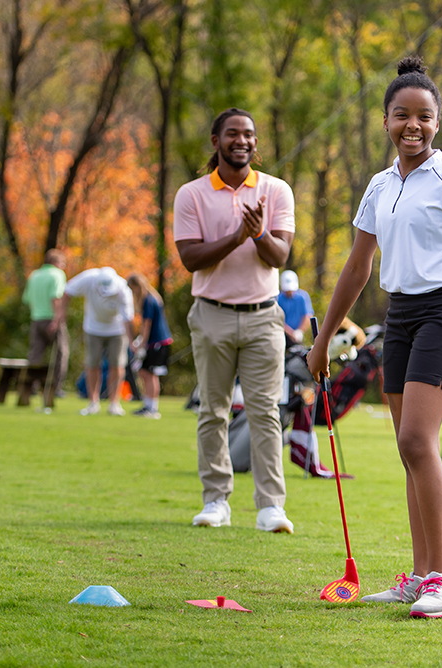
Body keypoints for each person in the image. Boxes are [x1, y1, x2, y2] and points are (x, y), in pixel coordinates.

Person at [307, 56, 442, 619]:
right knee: (410, 451)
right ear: (386, 120)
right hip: (401, 314)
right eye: (402, 115)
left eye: (424, 116)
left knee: (417, 441)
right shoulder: (380, 185)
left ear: (438, 122)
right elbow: (358, 267)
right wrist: (323, 339)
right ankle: (418, 575)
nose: (413, 125)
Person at [173, 107, 297, 533]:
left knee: (266, 412)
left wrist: (259, 234)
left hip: (264, 318)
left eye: (248, 134)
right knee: (213, 411)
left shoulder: (276, 190)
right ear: (216, 141)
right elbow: (191, 259)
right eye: (232, 134)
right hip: (212, 315)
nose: (241, 140)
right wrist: (237, 238)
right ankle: (215, 500)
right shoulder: (191, 195)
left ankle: (270, 507)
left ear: (255, 144)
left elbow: (280, 256)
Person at [63, 266, 135, 416]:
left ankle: (114, 404)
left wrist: (132, 341)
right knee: (92, 363)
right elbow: (67, 291)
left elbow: (128, 319)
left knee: (117, 364)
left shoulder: (123, 289)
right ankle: (93, 402)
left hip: (117, 330)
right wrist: (61, 315)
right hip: (93, 328)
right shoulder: (88, 278)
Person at [22, 249, 69, 398]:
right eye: (62, 263)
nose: (63, 267)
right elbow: (55, 297)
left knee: (35, 355)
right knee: (61, 353)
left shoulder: (34, 275)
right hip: (52, 319)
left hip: (36, 319)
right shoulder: (57, 274)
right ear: (55, 262)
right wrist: (57, 319)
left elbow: (27, 299)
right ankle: (55, 388)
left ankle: (32, 386)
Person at [127, 272, 172, 420]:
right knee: (145, 373)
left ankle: (152, 408)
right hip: (156, 342)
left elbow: (146, 325)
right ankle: (148, 404)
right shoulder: (153, 298)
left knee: (150, 374)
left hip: (156, 343)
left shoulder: (148, 300)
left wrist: (142, 346)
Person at [277, 269, 314, 344]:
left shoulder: (302, 297)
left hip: (297, 336)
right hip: (282, 335)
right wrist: (290, 333)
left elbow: (307, 316)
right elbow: (277, 319)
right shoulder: (278, 299)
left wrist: (299, 331)